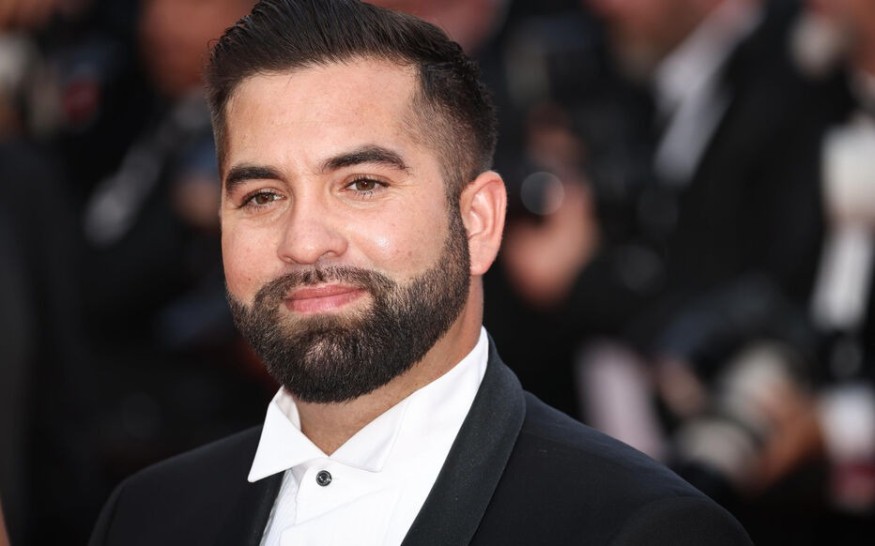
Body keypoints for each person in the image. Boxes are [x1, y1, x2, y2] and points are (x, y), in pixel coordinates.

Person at [88, 1, 752, 544]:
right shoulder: (145, 517)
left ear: (478, 221)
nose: (304, 241)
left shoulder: (640, 531)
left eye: (362, 184)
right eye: (262, 196)